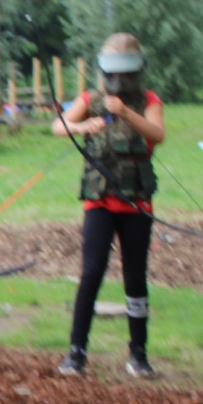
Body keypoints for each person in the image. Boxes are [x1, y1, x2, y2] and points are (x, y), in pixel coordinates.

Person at [51, 33, 166, 379]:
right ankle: (76, 352)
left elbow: (157, 134)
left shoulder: (149, 101)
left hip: (136, 204)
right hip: (99, 203)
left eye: (125, 73)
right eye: (112, 73)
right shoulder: (91, 99)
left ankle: (138, 354)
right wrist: (81, 124)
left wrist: (126, 112)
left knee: (135, 276)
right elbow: (58, 126)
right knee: (91, 272)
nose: (119, 80)